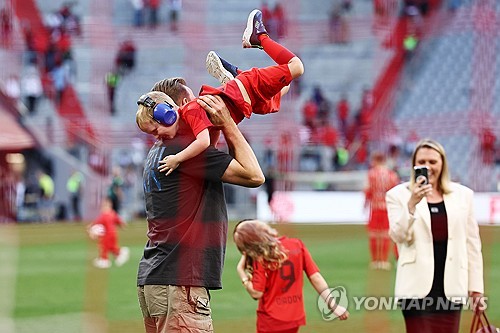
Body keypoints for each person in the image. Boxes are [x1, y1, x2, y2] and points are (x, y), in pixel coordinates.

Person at [136, 93, 265, 332]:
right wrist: (227, 122)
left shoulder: (158, 152)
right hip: (180, 284)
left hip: (155, 281)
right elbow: (254, 175)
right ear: (171, 111)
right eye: (189, 100)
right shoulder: (186, 152)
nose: (195, 105)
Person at [146, 9, 304, 175]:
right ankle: (237, 75)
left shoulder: (194, 113)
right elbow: (212, 135)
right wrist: (210, 150)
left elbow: (207, 141)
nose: (198, 100)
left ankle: (259, 38)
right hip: (247, 104)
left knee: (296, 67)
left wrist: (182, 157)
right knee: (281, 91)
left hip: (248, 90)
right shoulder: (194, 116)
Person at [385, 139, 485, 333]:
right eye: (421, 162)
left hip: (452, 287)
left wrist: (476, 288)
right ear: (414, 164)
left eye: (433, 162)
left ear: (442, 164)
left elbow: (472, 244)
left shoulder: (463, 195)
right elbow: (398, 235)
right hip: (415, 288)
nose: (427, 167)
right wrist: (412, 204)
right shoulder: (398, 195)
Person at [233, 219, 349, 333]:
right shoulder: (297, 245)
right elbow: (316, 277)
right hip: (294, 317)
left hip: (271, 320)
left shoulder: (260, 257)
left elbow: (256, 293)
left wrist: (242, 273)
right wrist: (334, 306)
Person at [364, 152, 399, 270]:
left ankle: (375, 261)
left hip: (375, 207)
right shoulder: (392, 175)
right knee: (385, 234)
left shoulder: (371, 174)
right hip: (387, 208)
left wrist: (365, 204)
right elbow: (395, 192)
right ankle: (384, 261)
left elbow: (367, 191)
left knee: (374, 234)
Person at [88, 196, 129, 269]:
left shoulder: (103, 216)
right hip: (113, 234)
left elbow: (97, 222)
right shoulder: (113, 213)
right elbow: (119, 221)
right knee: (111, 247)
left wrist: (91, 227)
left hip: (107, 235)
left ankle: (104, 260)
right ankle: (119, 255)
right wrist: (123, 225)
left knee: (104, 247)